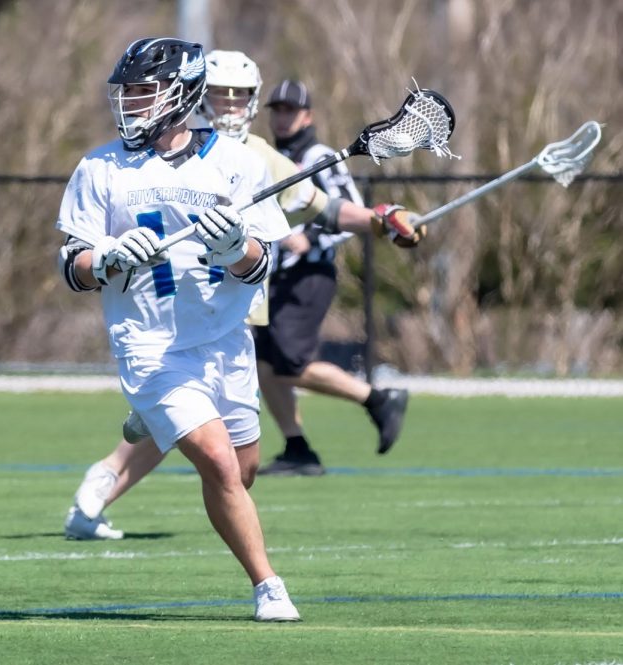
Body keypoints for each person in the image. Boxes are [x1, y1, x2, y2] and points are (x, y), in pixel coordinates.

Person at [64, 50, 424, 542]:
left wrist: (381, 219)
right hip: (166, 321)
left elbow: (320, 207)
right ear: (196, 95)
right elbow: (81, 256)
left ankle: (114, 471)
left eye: (238, 96)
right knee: (206, 435)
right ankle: (109, 476)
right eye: (218, 94)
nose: (229, 105)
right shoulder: (132, 159)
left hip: (235, 307)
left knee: (232, 445)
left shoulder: (253, 156)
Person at [56, 37, 302, 622]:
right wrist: (109, 257)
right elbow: (72, 265)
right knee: (217, 463)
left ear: (182, 95)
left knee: (242, 472)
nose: (131, 105)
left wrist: (233, 246)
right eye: (127, 94)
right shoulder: (99, 167)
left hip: (223, 342)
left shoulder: (237, 163)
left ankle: (150, 421)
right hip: (149, 344)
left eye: (144, 93)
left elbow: (262, 262)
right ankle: (268, 586)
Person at [254, 78, 414, 476]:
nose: (282, 117)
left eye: (290, 110)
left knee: (289, 363)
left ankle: (377, 398)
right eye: (277, 110)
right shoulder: (271, 156)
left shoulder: (320, 155)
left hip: (310, 274)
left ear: (307, 115)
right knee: (263, 366)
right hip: (276, 278)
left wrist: (306, 237)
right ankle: (297, 448)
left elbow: (350, 214)